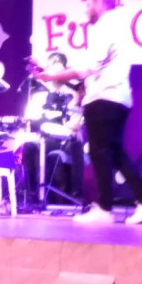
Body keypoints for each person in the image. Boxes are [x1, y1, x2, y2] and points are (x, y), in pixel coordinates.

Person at [35, 0, 142, 224]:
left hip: (105, 97)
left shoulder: (106, 26)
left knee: (100, 152)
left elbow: (88, 67)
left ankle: (104, 209)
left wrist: (51, 76)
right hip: (117, 97)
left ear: (100, 4)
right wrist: (65, 79)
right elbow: (94, 69)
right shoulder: (117, 26)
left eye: (88, 5)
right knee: (114, 152)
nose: (86, 10)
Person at [21, 52, 84, 205]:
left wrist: (68, 126)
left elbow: (76, 123)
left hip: (65, 139)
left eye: (59, 71)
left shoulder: (73, 95)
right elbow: (30, 117)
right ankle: (30, 193)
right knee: (28, 147)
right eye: (53, 69)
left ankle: (76, 192)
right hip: (44, 138)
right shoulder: (40, 94)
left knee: (76, 145)